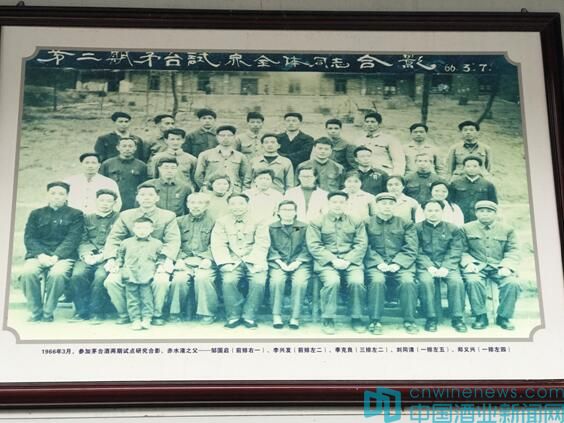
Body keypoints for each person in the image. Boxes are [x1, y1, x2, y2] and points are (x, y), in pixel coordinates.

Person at [102, 183, 180, 326]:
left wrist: (165, 261)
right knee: (111, 281)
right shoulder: (126, 215)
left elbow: (172, 240)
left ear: (157, 198)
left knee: (161, 281)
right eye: (142, 195)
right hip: (130, 262)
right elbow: (114, 238)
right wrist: (112, 259)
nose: (146, 198)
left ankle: (156, 314)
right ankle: (125, 314)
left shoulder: (168, 216)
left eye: (150, 195)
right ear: (137, 198)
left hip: (155, 261)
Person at [20, 181, 84, 322]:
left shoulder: (76, 214)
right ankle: (35, 311)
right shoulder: (36, 214)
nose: (57, 196)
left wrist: (57, 256)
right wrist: (40, 255)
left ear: (67, 196)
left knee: (57, 274)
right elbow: (29, 237)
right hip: (38, 255)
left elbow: (72, 239)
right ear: (47, 195)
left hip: (63, 256)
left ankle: (48, 312)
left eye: (61, 194)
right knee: (27, 273)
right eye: (53, 193)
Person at [306, 191, 368, 335]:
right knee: (332, 281)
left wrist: (348, 260)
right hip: (327, 262)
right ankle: (328, 318)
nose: (338, 205)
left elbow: (361, 244)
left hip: (352, 261)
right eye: (334, 202)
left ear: (347, 204)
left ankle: (356, 317)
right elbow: (314, 245)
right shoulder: (317, 221)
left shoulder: (356, 221)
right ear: (328, 204)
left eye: (341, 202)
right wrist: (333, 259)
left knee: (357, 282)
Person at [211, 193, 270, 329]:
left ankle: (249, 316)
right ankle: (234, 316)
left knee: (259, 282)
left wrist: (255, 261)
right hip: (232, 260)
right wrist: (225, 262)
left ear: (247, 205)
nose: (237, 207)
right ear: (228, 206)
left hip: (254, 259)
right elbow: (218, 244)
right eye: (233, 204)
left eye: (241, 203)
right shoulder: (221, 222)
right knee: (229, 281)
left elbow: (262, 243)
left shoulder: (259, 220)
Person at [364, 193, 419, 335]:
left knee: (408, 282)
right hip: (376, 264)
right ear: (377, 206)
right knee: (377, 281)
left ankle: (409, 320)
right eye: (383, 203)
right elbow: (364, 246)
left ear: (395, 206)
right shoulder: (366, 223)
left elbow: (411, 247)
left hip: (401, 264)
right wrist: (378, 262)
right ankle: (375, 320)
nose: (387, 207)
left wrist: (397, 263)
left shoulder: (406, 223)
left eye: (390, 204)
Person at [461, 201, 520, 330]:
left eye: (489, 211)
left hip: (499, 266)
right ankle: (480, 316)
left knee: (512, 283)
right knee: (473, 281)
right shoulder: (466, 228)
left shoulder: (507, 229)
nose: (485, 214)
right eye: (481, 211)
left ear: (495, 213)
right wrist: (469, 263)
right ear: (476, 213)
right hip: (477, 266)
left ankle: (503, 317)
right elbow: (461, 250)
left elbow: (513, 250)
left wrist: (506, 266)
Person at [415, 200, 467, 333]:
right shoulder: (416, 228)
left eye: (436, 210)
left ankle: (457, 318)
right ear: (424, 212)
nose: (433, 213)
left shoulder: (453, 228)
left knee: (456, 282)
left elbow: (455, 250)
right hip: (425, 265)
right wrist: (429, 266)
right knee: (426, 282)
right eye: (429, 210)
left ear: (442, 212)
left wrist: (446, 267)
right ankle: (431, 318)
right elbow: (416, 250)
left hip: (448, 264)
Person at [69, 188, 119, 323]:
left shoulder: (119, 218)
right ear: (96, 201)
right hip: (88, 256)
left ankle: (97, 312)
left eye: (109, 201)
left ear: (115, 203)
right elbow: (82, 238)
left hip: (108, 257)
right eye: (102, 200)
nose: (105, 204)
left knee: (100, 276)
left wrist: (104, 255)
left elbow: (119, 239)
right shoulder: (86, 218)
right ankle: (81, 312)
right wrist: (87, 254)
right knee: (77, 275)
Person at [170, 193, 217, 323]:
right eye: (192, 202)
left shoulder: (214, 222)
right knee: (179, 279)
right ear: (187, 204)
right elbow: (173, 242)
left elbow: (216, 243)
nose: (196, 206)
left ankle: (206, 313)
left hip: (204, 261)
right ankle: (175, 312)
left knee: (203, 278)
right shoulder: (178, 221)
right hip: (184, 260)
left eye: (200, 203)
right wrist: (179, 259)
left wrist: (208, 259)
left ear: (207, 205)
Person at [268, 200, 311, 330]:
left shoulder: (304, 227)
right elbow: (270, 247)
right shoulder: (271, 227)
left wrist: (297, 262)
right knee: (276, 281)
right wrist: (280, 263)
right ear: (278, 212)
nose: (287, 212)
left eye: (291, 210)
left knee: (299, 282)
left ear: (296, 212)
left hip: (300, 263)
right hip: (277, 262)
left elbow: (307, 247)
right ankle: (276, 315)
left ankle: (295, 317)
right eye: (284, 210)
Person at [115, 217, 163, 330]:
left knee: (147, 298)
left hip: (147, 275)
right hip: (130, 275)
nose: (142, 231)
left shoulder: (157, 243)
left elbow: (161, 257)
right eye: (139, 228)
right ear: (133, 229)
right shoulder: (126, 243)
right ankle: (135, 319)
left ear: (152, 229)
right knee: (132, 299)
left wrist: (160, 266)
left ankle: (147, 319)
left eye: (145, 228)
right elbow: (120, 256)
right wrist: (118, 265)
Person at [194, 125, 251, 193]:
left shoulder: (241, 156)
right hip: (211, 192)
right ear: (217, 137)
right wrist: (206, 188)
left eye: (229, 135)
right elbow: (198, 176)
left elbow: (246, 177)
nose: (226, 138)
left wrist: (243, 191)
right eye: (222, 135)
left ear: (234, 137)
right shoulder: (205, 155)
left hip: (234, 192)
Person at [99, 137, 148, 210]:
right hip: (112, 202)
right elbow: (101, 184)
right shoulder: (107, 164)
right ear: (118, 148)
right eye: (124, 146)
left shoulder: (142, 166)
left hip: (133, 202)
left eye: (130, 146)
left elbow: (144, 187)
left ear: (135, 148)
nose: (127, 149)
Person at [449, 156, 498, 222]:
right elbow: (450, 202)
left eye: (475, 166)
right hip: (460, 217)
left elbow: (493, 203)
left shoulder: (488, 185)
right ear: (463, 168)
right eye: (468, 166)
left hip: (479, 219)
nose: (471, 169)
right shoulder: (455, 184)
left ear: (480, 168)